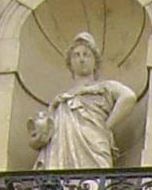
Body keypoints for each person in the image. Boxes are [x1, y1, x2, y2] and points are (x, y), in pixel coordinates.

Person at [27, 33, 137, 173]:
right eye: (76, 55)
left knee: (95, 183)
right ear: (70, 64)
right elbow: (44, 139)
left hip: (94, 142)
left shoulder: (105, 87)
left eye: (86, 55)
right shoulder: (60, 100)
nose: (81, 59)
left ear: (95, 62)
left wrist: (107, 127)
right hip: (62, 152)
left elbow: (128, 97)